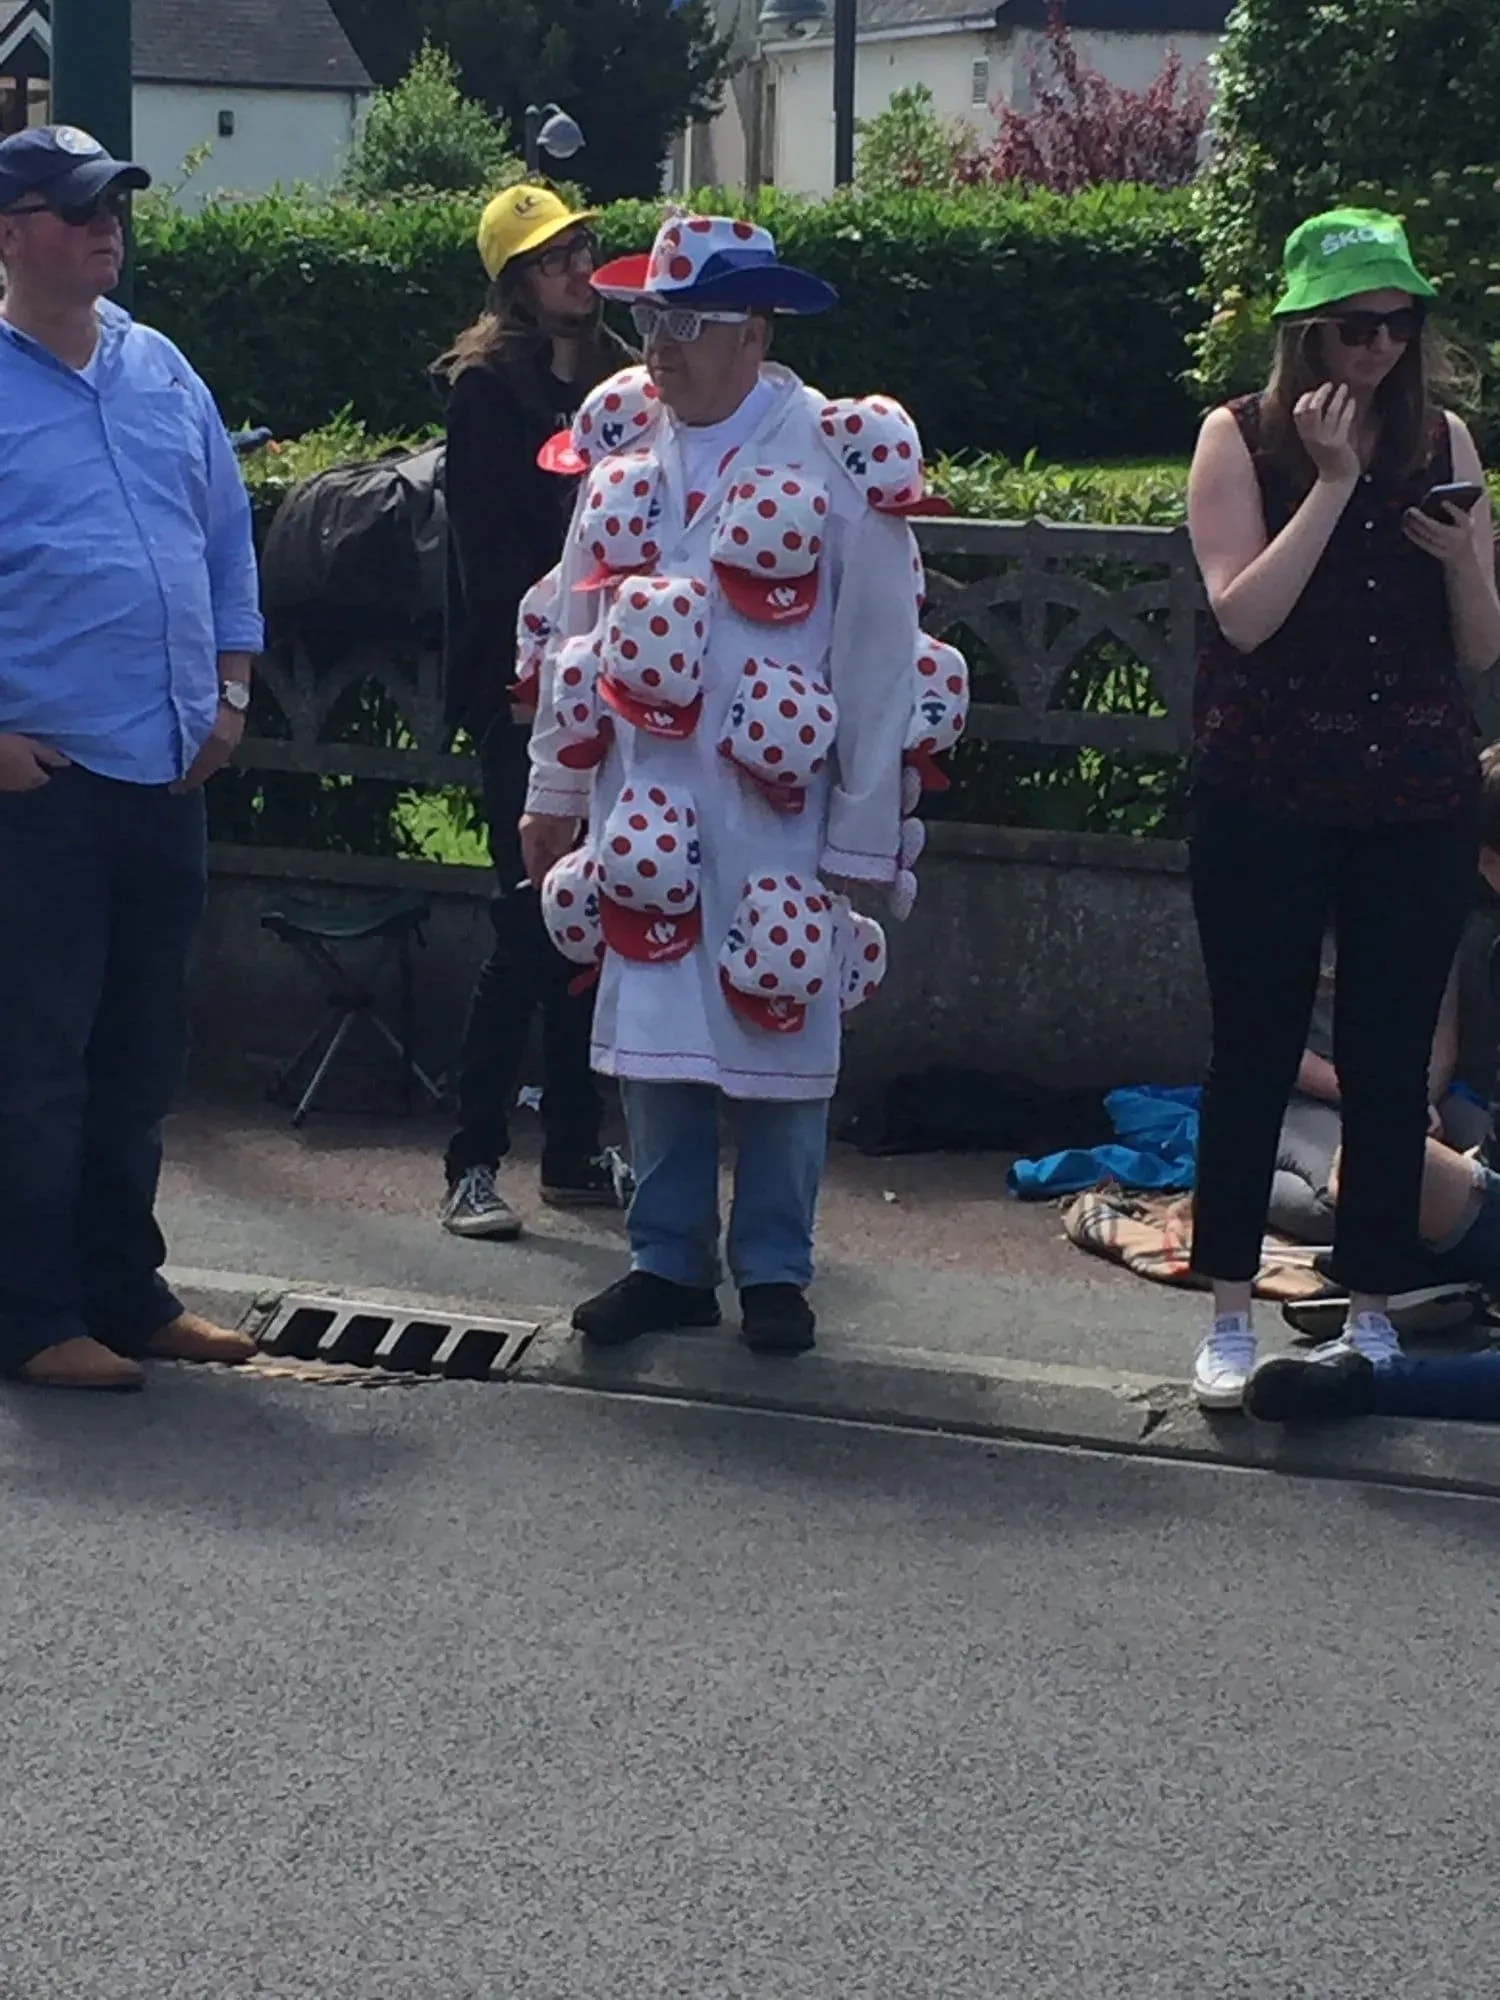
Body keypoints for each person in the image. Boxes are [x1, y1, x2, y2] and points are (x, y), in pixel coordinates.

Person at [519, 214, 930, 1354]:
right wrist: (555, 782)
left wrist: (861, 830)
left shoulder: (830, 457)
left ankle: (777, 1269)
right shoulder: (627, 457)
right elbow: (576, 630)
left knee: (780, 1023)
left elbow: (878, 656)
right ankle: (665, 1260)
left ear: (755, 333)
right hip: (647, 802)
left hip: (777, 816)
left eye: (688, 323)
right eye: (649, 317)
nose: (660, 345)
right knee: (654, 1031)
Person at [1185, 206, 1500, 1411]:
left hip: (1411, 794)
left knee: (1387, 1067)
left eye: (1396, 322)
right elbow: (1244, 615)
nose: (1376, 347)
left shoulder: (1447, 437)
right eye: (1352, 326)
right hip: (1267, 785)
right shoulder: (1239, 440)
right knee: (1251, 1051)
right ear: (1303, 333)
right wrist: (1329, 487)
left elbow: (1478, 648)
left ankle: (1369, 1308)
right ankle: (1227, 1307)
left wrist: (1464, 557)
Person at [0, 126, 264, 1391]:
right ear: (9, 233)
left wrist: (231, 697)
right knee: (36, 1061)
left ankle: (123, 1287)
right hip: (37, 785)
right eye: (77, 208)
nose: (108, 225)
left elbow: (224, 539)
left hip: (164, 768)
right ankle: (29, 1311)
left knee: (140, 1051)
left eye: (116, 206)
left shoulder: (161, 367)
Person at [436, 184, 636, 1240]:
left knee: (593, 921)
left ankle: (571, 1147)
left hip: (617, 690)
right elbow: (493, 555)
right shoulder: (485, 393)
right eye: (554, 258)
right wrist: (552, 645)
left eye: (583, 250)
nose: (576, 269)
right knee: (527, 924)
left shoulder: (624, 382)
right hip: (525, 693)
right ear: (516, 281)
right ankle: (471, 1157)